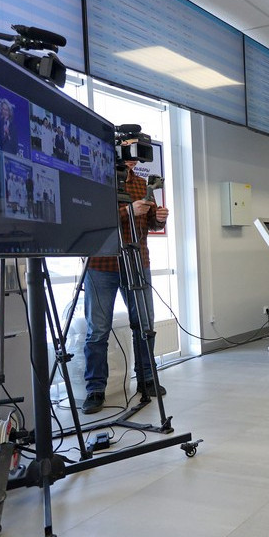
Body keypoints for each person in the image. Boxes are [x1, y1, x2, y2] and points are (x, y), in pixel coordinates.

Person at [82, 159, 170, 414]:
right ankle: (95, 389)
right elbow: (91, 219)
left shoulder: (141, 183)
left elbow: (150, 223)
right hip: (101, 264)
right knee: (98, 330)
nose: (134, 158)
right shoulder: (96, 180)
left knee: (144, 325)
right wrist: (128, 211)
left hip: (137, 262)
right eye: (128, 147)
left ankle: (147, 379)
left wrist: (159, 219)